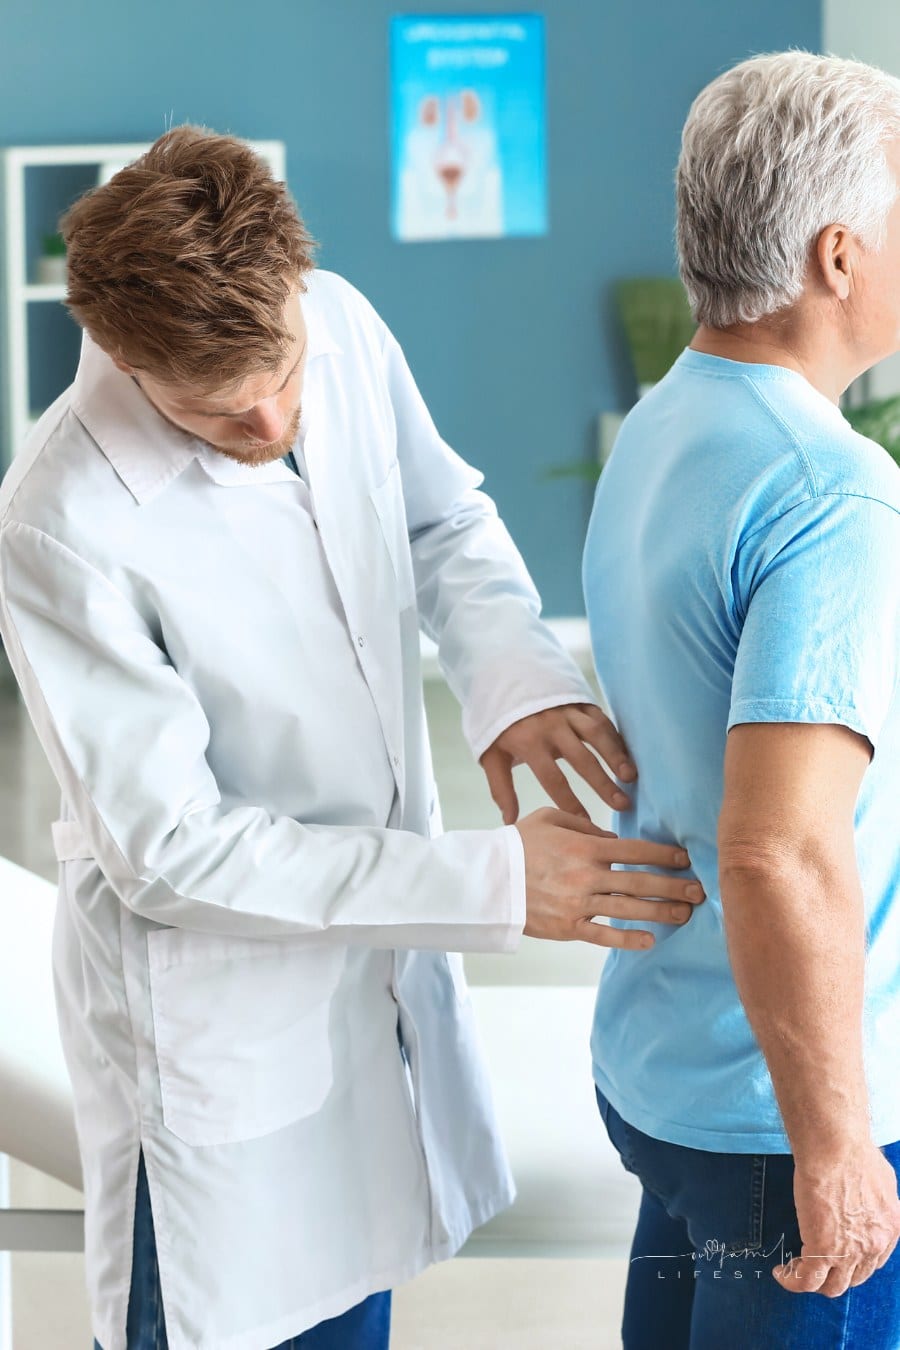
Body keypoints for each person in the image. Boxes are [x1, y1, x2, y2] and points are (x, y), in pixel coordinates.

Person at [0, 128, 703, 1350]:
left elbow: (441, 521)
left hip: (361, 998)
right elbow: (171, 852)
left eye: (286, 373)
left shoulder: (342, 322)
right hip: (217, 1046)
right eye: (220, 413)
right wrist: (491, 881)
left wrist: (514, 680)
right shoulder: (62, 519)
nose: (274, 419)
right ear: (120, 353)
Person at [582, 51, 900, 1350]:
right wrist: (833, 1143)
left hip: (669, 1077)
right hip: (782, 1125)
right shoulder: (829, 489)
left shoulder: (665, 421)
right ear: (838, 255)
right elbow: (779, 847)